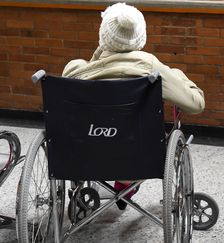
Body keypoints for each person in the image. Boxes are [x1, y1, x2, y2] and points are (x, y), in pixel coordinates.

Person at [62, 3, 205, 209]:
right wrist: (179, 76)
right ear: (140, 36)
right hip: (140, 155)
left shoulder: (75, 70)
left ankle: (122, 182)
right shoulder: (152, 69)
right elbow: (196, 104)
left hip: (85, 153)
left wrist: (100, 52)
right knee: (138, 142)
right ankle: (127, 181)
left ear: (102, 35)